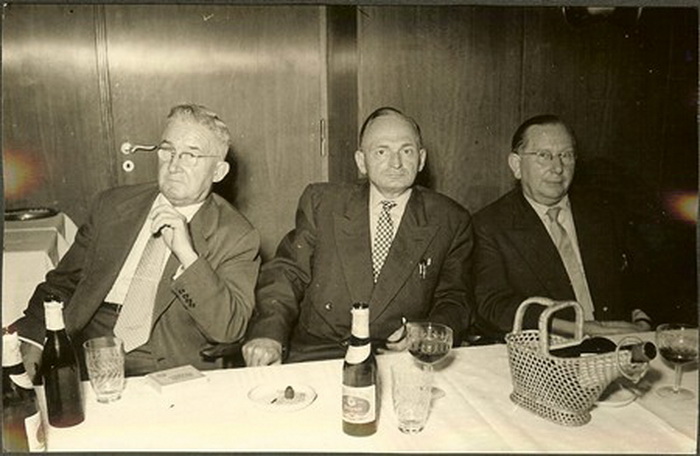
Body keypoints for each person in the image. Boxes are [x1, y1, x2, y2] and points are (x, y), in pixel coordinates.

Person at [12, 104, 261, 377]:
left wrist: (187, 256)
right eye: (167, 150)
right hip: (90, 347)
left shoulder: (236, 235)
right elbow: (63, 283)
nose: (174, 165)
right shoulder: (112, 206)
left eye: (191, 155)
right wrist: (31, 337)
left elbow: (229, 328)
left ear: (218, 172)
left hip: (167, 360)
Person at [243, 107, 473, 365]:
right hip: (317, 351)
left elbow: (455, 299)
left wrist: (424, 333)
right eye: (382, 152)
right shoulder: (323, 203)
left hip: (395, 357)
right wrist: (268, 334)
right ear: (361, 161)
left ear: (421, 159)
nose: (396, 163)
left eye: (406, 151)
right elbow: (287, 273)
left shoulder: (450, 219)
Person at [471, 114, 652, 339]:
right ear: (516, 165)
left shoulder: (605, 212)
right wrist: (579, 329)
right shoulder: (489, 225)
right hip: (549, 347)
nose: (557, 168)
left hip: (622, 342)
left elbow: (643, 279)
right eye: (544, 156)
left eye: (566, 155)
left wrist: (642, 319)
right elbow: (493, 307)